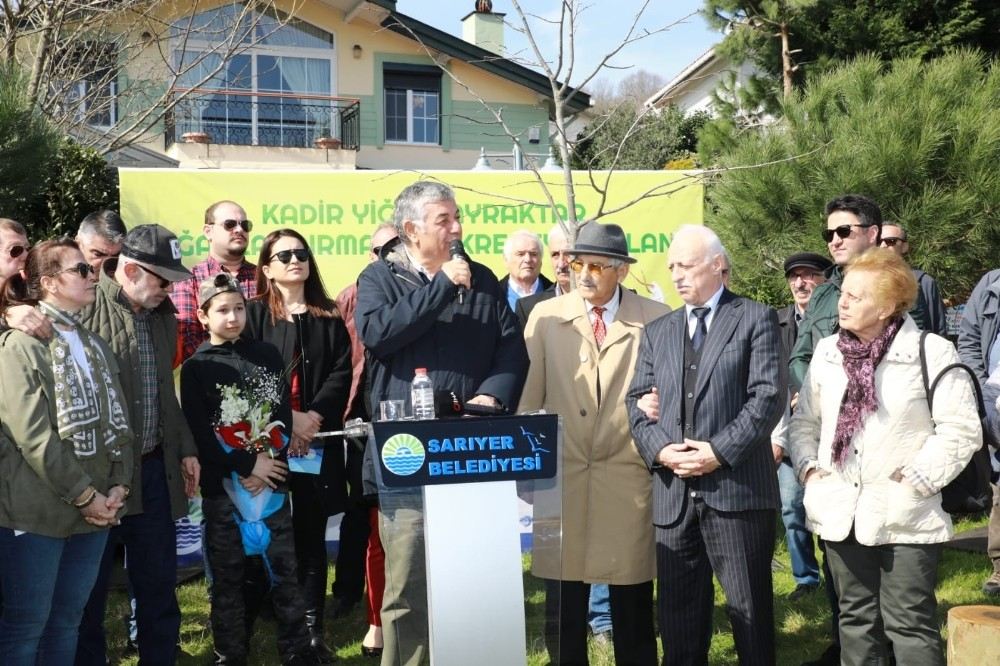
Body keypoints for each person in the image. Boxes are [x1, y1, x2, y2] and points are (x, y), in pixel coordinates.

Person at [355, 180, 528, 665]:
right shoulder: (379, 280)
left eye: (458, 217)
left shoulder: (486, 279)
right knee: (408, 577)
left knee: (475, 572)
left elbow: (511, 349)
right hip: (408, 452)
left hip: (474, 449)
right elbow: (379, 335)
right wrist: (441, 288)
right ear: (411, 230)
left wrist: (494, 395)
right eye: (444, 220)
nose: (458, 228)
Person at [789, 248, 981, 666]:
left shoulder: (931, 352)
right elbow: (803, 423)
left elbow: (962, 430)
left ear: (889, 305)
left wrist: (916, 479)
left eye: (857, 296)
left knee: (909, 625)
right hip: (841, 511)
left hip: (904, 516)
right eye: (844, 292)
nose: (843, 301)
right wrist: (809, 470)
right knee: (855, 622)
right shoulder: (826, 352)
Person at [626, 224, 785, 666]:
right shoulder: (658, 331)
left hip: (736, 493)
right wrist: (661, 450)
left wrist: (716, 452)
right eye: (672, 266)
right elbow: (636, 405)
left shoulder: (755, 318)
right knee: (677, 618)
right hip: (673, 496)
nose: (677, 275)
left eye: (687, 264)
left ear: (718, 265)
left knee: (750, 612)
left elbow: (767, 397)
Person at [519, 221, 668, 666]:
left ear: (621, 270)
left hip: (628, 473)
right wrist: (530, 470)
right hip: (561, 474)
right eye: (576, 262)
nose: (582, 273)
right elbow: (530, 399)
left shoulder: (657, 318)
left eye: (596, 266)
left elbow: (670, 396)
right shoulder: (545, 316)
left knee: (632, 598)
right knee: (563, 599)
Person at [0, 239, 133, 664]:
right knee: (27, 625)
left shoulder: (93, 343)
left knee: (67, 622)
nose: (92, 275)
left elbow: (119, 423)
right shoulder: (20, 346)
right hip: (37, 511)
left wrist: (118, 486)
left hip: (95, 511)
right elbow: (33, 434)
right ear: (48, 283)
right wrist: (85, 495)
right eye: (80, 270)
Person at [181, 273, 324, 666]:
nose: (232, 317)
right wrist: (246, 464)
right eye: (222, 310)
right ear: (203, 317)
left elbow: (279, 416)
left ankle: (297, 650)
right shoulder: (197, 367)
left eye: (239, 308)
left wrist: (267, 463)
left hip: (271, 487)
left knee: (284, 573)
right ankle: (230, 652)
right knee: (227, 580)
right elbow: (200, 431)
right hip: (224, 489)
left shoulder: (266, 355)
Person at [74, 224, 201, 666]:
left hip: (153, 472)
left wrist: (184, 447)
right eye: (162, 280)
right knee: (86, 598)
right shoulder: (83, 310)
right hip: (98, 479)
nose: (170, 290)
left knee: (158, 588)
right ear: (129, 270)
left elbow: (165, 391)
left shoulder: (163, 317)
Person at [244, 229, 352, 662]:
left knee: (309, 540)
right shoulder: (252, 315)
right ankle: (243, 632)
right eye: (283, 255)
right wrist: (288, 420)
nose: (294, 260)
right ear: (267, 268)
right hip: (262, 449)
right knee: (259, 540)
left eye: (300, 253)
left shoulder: (328, 316)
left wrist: (312, 419)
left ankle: (310, 634)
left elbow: (342, 373)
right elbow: (245, 374)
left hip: (315, 444)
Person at [334, 222, 399, 657]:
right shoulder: (350, 296)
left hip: (415, 418)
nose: (387, 258)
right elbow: (342, 361)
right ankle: (373, 618)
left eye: (394, 249)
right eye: (380, 250)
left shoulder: (425, 289)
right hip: (363, 422)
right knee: (371, 526)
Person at [790, 195, 932, 392]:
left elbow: (914, 352)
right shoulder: (821, 293)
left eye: (844, 231)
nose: (835, 241)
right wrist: (816, 393)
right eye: (829, 235)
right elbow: (800, 357)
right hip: (825, 409)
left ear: (872, 233)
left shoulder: (898, 286)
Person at [775, 252, 831, 600]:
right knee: (791, 509)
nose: (800, 283)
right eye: (794, 276)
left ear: (826, 281)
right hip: (787, 431)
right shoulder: (775, 322)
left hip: (828, 432)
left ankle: (838, 576)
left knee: (829, 510)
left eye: (809, 275)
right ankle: (806, 579)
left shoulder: (836, 318)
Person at [957, 268, 1000, 595]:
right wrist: (982, 395)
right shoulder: (990, 284)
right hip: (993, 397)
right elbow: (969, 342)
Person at [172, 200, 257, 362]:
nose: (239, 230)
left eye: (245, 225)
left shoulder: (265, 278)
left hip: (263, 375)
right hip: (209, 376)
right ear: (208, 231)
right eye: (230, 224)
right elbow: (188, 340)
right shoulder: (189, 281)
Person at [879, 223, 949, 337]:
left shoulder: (923, 282)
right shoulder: (860, 280)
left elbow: (939, 329)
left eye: (890, 241)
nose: (883, 245)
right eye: (878, 241)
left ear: (905, 246)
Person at [515, 223, 571, 329]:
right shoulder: (529, 308)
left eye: (568, 254)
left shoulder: (604, 302)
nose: (561, 264)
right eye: (555, 255)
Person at [499, 229, 552, 312]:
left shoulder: (556, 293)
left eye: (533, 254)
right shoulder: (494, 295)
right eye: (520, 254)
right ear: (506, 260)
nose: (527, 259)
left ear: (541, 260)